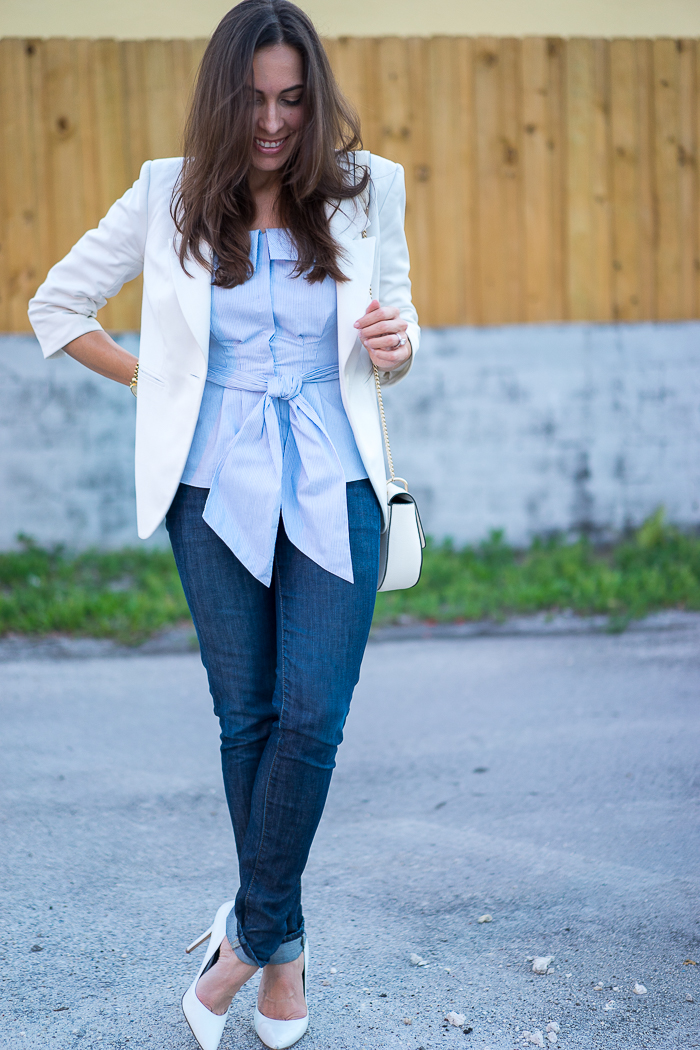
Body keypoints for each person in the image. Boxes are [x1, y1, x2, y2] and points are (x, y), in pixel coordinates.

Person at [28, 2, 419, 1047]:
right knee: (245, 721)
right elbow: (55, 309)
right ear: (221, 97)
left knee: (312, 720)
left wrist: (395, 344)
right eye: (253, 99)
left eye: (294, 99)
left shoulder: (369, 186)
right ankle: (284, 957)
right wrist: (162, 381)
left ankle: (244, 938)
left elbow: (400, 325)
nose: (276, 121)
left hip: (336, 483)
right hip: (211, 493)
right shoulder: (167, 194)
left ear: (316, 96)